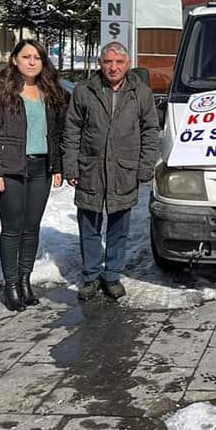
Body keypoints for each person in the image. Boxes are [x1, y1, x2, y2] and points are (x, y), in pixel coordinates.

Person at [63, 42, 159, 301]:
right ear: (100, 63)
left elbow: (150, 131)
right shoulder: (84, 90)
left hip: (124, 170)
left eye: (119, 62)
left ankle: (112, 275)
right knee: (89, 227)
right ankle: (91, 276)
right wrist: (71, 165)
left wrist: (146, 165)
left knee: (118, 228)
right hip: (90, 169)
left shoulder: (141, 92)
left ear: (128, 64)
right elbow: (72, 130)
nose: (113, 67)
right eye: (108, 61)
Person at [0, 39, 67, 312]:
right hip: (10, 170)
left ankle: (25, 281)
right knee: (12, 229)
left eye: (37, 57)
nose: (32, 62)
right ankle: (11, 286)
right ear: (14, 59)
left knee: (31, 228)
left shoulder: (50, 92)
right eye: (26, 56)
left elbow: (56, 133)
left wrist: (58, 166)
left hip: (41, 169)